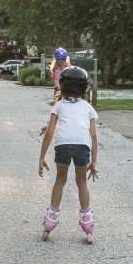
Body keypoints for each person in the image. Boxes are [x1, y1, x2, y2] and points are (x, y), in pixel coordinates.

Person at [38, 66, 99, 243]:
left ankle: (50, 221)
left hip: (63, 145)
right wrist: (93, 161)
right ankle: (88, 226)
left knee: (60, 180)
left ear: (61, 86)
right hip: (82, 147)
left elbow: (49, 133)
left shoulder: (58, 106)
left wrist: (41, 156)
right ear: (84, 88)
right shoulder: (88, 108)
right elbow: (93, 135)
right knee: (81, 182)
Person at [40, 47, 71, 135]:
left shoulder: (54, 69)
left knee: (56, 110)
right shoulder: (69, 68)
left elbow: (55, 80)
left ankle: (50, 125)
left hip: (58, 91)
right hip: (67, 90)